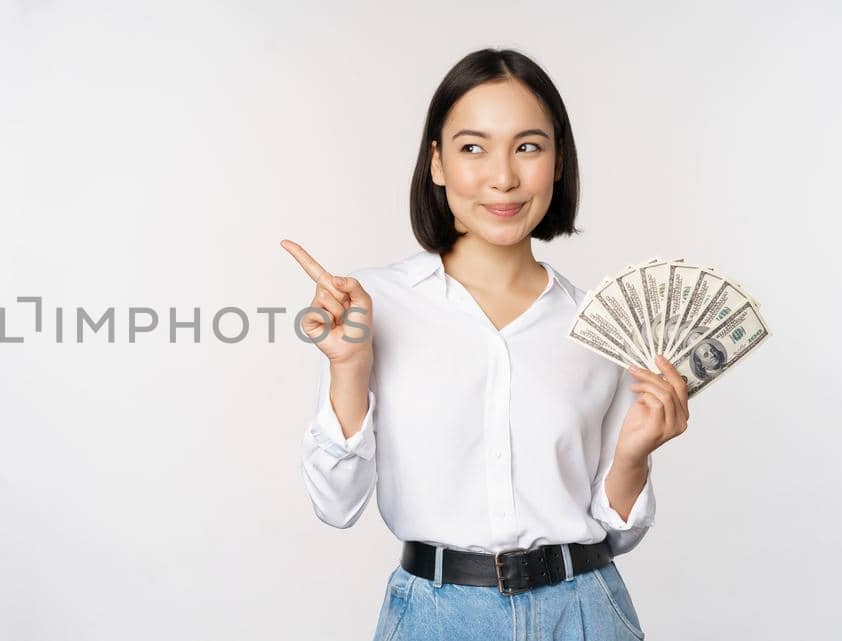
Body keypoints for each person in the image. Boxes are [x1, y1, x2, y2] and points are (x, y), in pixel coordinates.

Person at [283, 49, 691, 641]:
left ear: (557, 164)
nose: (503, 176)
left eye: (528, 146)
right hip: (435, 617)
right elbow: (335, 505)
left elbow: (619, 534)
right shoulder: (372, 306)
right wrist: (350, 367)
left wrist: (633, 455)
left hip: (585, 613)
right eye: (473, 147)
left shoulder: (598, 325)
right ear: (437, 163)